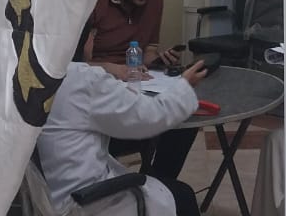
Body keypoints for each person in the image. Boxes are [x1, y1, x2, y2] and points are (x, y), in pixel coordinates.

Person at [78, 0, 196, 180]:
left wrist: (160, 59)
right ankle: (114, 178)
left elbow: (148, 52)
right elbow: (74, 67)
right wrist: (112, 69)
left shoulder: (155, 0)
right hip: (101, 88)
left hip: (139, 84)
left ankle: (160, 182)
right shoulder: (94, 2)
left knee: (185, 115)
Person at [37, 60, 209, 216]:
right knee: (182, 195)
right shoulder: (81, 78)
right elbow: (149, 116)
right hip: (82, 201)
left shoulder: (31, 74)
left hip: (42, 196)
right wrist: (184, 86)